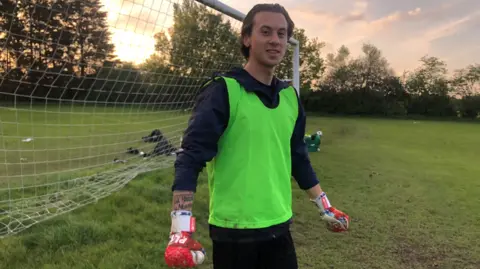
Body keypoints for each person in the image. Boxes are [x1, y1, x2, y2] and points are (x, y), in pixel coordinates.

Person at [164, 3, 350, 269]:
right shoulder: (223, 91)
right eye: (265, 31)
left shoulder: (290, 97)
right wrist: (180, 229)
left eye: (281, 34)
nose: (275, 40)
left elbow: (298, 156)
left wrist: (326, 207)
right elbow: (190, 159)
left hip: (280, 226)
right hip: (235, 233)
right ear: (247, 38)